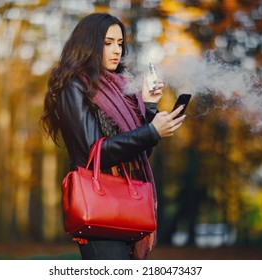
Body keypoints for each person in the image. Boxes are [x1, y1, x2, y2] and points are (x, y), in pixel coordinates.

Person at [40, 12, 186, 260]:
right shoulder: (73, 85)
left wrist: (149, 107)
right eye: (108, 43)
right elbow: (94, 153)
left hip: (127, 207)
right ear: (89, 44)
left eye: (120, 43)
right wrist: (151, 132)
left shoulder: (122, 89)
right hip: (100, 206)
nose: (116, 50)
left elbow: (139, 153)